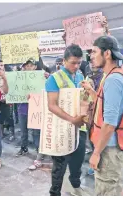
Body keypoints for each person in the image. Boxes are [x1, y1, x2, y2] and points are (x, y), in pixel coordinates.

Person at [82, 35, 123, 196]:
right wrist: (91, 91)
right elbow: (106, 105)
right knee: (115, 187)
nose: (91, 56)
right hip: (111, 146)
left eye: (95, 52)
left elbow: (109, 123)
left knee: (107, 189)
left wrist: (96, 153)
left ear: (107, 54)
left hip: (108, 149)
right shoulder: (112, 76)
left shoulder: (113, 80)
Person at [45, 44, 86, 196]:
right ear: (64, 61)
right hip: (61, 128)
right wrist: (71, 119)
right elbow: (51, 105)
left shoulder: (80, 75)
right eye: (73, 62)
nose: (76, 66)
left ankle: (76, 184)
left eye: (79, 62)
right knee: (59, 164)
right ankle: (55, 192)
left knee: (78, 160)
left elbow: (82, 98)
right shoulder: (54, 79)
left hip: (79, 127)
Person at [0, 60, 15, 141]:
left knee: (9, 117)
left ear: (4, 66)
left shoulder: (9, 75)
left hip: (7, 99)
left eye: (1, 65)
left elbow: (12, 87)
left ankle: (12, 133)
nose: (0, 67)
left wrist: (8, 97)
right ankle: (1, 133)